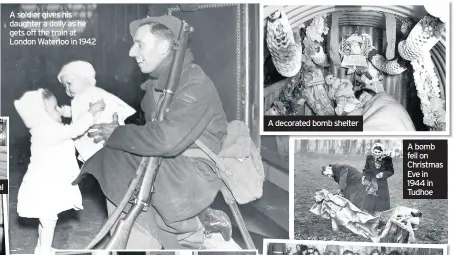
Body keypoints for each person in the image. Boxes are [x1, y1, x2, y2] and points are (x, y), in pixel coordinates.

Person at [73, 15, 236, 249]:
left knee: (115, 158)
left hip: (194, 174)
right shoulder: (161, 84)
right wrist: (121, 133)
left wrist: (119, 134)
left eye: (140, 44)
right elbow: (156, 133)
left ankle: (192, 228)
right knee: (113, 161)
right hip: (172, 165)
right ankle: (156, 238)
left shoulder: (194, 82)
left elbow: (165, 139)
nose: (131, 52)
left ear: (164, 47)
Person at [14, 88, 105, 254]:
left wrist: (71, 112)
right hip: (47, 185)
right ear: (42, 116)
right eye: (55, 108)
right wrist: (91, 112)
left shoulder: (42, 130)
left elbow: (68, 126)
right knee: (48, 221)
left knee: (45, 220)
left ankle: (41, 248)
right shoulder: (49, 131)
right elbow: (74, 130)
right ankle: (44, 250)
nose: (60, 110)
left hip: (44, 183)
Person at [56, 60, 136, 162]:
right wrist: (64, 111)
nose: (67, 89)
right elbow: (77, 113)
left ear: (85, 78)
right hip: (89, 134)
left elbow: (102, 109)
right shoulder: (80, 97)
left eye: (69, 83)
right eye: (64, 86)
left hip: (101, 133)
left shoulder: (93, 93)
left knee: (99, 154)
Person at [363, 143, 394, 215]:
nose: (377, 154)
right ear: (373, 151)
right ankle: (370, 217)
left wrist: (383, 174)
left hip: (381, 185)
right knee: (370, 204)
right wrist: (364, 176)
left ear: (382, 152)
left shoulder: (387, 159)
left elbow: (391, 171)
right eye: (375, 152)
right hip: (371, 183)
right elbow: (365, 169)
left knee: (380, 205)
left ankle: (379, 219)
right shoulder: (369, 158)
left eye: (379, 152)